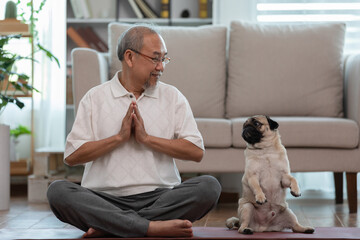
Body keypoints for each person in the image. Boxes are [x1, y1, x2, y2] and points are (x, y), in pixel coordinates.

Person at [47, 24, 221, 238]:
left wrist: (146, 139)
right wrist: (118, 138)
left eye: (164, 59)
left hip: (161, 198)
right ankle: (150, 228)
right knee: (58, 192)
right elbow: (72, 156)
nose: (161, 67)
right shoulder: (95, 98)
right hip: (103, 198)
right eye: (155, 59)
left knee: (209, 187)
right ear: (129, 57)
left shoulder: (173, 97)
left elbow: (196, 152)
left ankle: (112, 226)